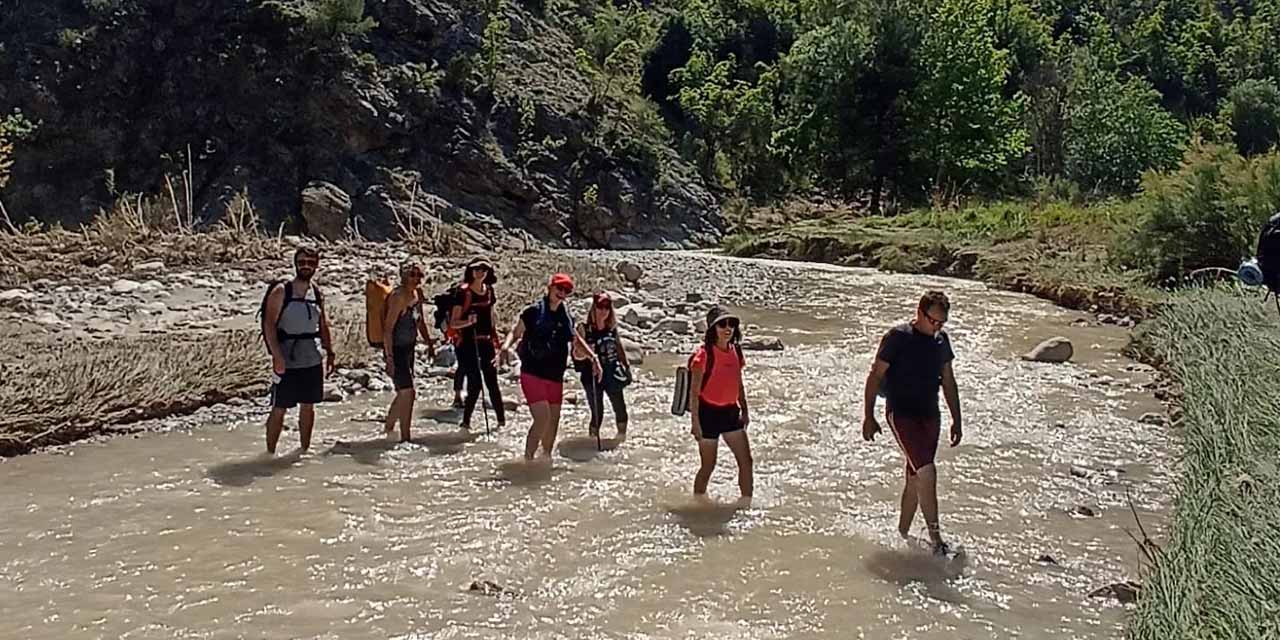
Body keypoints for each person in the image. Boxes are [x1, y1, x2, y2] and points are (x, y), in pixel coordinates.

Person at [862, 290, 963, 556]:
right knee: (928, 472)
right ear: (920, 313)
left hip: (930, 414)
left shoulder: (942, 341)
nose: (938, 327)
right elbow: (874, 376)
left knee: (915, 478)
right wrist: (868, 416)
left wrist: (957, 419)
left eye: (943, 323)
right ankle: (936, 541)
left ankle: (902, 535)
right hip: (902, 413)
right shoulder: (898, 338)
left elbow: (949, 381)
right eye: (934, 321)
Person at [500, 273, 601, 460]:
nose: (562, 293)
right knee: (542, 418)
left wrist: (593, 357)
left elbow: (575, 339)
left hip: (555, 375)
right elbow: (516, 331)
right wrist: (506, 347)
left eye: (566, 291)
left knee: (553, 421)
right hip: (532, 372)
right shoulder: (533, 312)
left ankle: (545, 457)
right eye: (559, 288)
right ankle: (528, 460)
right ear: (550, 287)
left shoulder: (565, 316)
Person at [261, 246, 337, 454]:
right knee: (279, 407)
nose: (306, 266)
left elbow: (323, 324)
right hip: (286, 356)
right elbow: (269, 324)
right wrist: (276, 356)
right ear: (295, 263)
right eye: (302, 262)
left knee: (308, 405)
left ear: (316, 266)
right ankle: (270, 453)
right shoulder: (281, 291)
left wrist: (330, 352)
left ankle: (304, 450)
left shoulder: (317, 293)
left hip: (312, 356)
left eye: (310, 263)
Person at [688, 305, 753, 500]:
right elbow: (694, 393)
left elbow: (738, 383)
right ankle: (698, 504)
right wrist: (695, 424)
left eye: (731, 324)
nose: (728, 328)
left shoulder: (736, 351)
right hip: (707, 414)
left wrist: (745, 410)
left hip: (731, 413)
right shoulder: (703, 356)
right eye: (722, 324)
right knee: (708, 466)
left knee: (746, 461)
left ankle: (746, 505)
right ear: (712, 329)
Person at [381, 261, 437, 442]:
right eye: (412, 275)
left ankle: (388, 428)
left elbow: (419, 321)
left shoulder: (416, 294)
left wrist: (429, 342)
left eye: (419, 275)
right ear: (404, 276)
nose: (416, 279)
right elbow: (388, 329)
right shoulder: (398, 297)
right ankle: (405, 439)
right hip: (396, 350)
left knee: (403, 392)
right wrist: (389, 358)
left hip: (409, 349)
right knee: (408, 393)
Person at [450, 258, 505, 431]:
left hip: (486, 341)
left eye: (484, 269)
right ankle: (466, 422)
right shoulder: (463, 293)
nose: (480, 272)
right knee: (474, 383)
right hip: (467, 343)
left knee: (492, 382)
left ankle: (501, 422)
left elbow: (491, 316)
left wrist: (497, 338)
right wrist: (468, 322)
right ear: (471, 271)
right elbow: (453, 322)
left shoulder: (489, 291)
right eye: (476, 269)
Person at [571, 291, 631, 440]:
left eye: (607, 307)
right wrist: (587, 354)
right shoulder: (584, 329)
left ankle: (621, 439)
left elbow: (618, 347)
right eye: (600, 306)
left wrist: (626, 366)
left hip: (611, 371)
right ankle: (592, 440)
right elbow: (575, 354)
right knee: (598, 412)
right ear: (593, 308)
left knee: (620, 409)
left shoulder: (611, 328)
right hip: (591, 375)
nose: (603, 310)